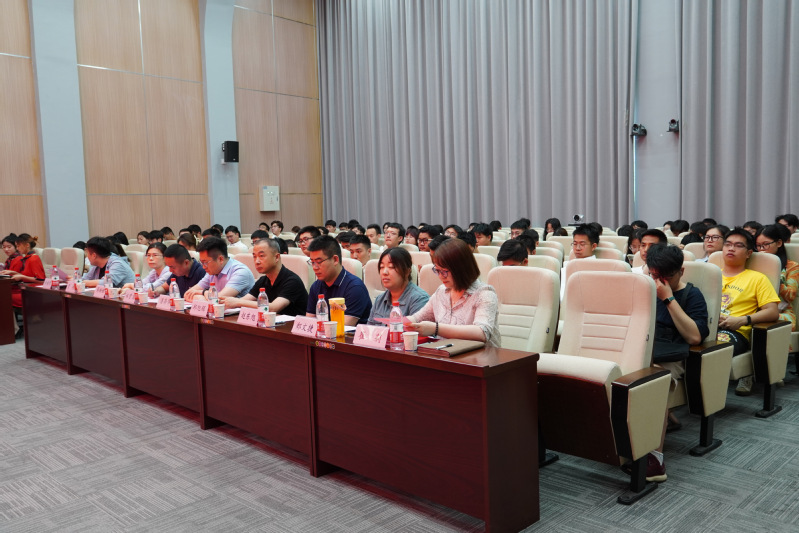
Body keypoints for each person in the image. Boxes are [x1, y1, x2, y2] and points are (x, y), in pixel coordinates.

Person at [715, 228, 781, 395]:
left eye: (738, 246)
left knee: (712, 349)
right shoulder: (712, 275)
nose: (731, 249)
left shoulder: (757, 278)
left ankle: (709, 399)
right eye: (728, 244)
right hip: (707, 326)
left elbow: (772, 312)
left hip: (735, 331)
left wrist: (743, 320)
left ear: (749, 253)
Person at [406, 238, 501, 347]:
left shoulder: (485, 294)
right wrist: (398, 322)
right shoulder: (441, 291)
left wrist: (436, 328)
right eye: (437, 270)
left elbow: (482, 332)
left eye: (445, 271)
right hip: (447, 353)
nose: (441, 276)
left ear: (461, 269)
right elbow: (418, 318)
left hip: (480, 355)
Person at [221, 238, 308, 316]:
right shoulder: (263, 281)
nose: (257, 261)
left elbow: (273, 307)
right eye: (254, 256)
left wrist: (237, 302)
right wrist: (226, 301)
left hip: (291, 327)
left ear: (276, 257)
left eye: (261, 256)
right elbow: (245, 300)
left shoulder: (292, 281)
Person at [305, 235, 372, 325]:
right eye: (312, 262)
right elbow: (309, 323)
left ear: (335, 260)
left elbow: (342, 328)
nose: (314, 267)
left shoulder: (355, 287)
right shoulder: (316, 286)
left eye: (319, 262)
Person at [367, 248, 429, 325]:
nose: (384, 272)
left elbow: (417, 331)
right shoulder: (379, 299)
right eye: (382, 267)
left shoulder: (419, 299)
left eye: (391, 267)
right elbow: (368, 329)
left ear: (407, 271)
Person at [755, 224, 798, 334]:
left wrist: (774, 276)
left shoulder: (792, 266)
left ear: (779, 243)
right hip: (753, 309)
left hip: (781, 312)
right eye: (758, 246)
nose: (761, 249)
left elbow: (790, 295)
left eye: (766, 245)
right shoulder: (752, 263)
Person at [184, 236, 255, 301]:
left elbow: (217, 299)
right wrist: (202, 296)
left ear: (220, 259)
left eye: (205, 262)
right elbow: (188, 294)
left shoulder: (240, 272)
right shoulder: (212, 271)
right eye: (201, 262)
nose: (203, 267)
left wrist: (203, 293)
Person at [1, 234, 45, 307]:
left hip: (33, 292)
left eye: (18, 246)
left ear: (27, 245)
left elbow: (41, 280)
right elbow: (27, 275)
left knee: (4, 297)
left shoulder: (33, 259)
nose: (17, 248)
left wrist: (21, 277)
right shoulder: (27, 258)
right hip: (27, 289)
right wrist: (13, 272)